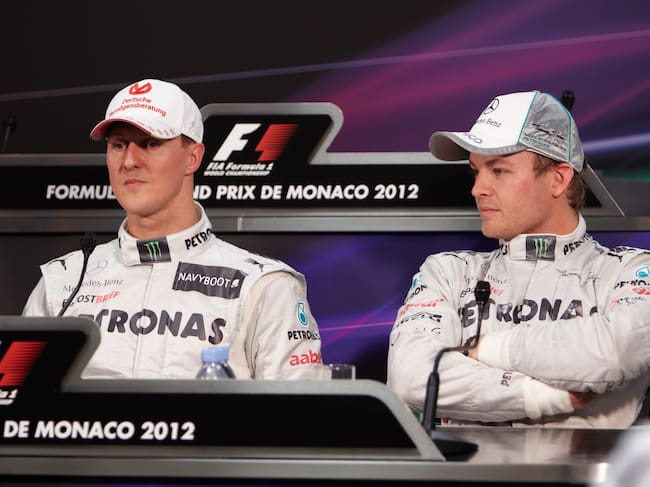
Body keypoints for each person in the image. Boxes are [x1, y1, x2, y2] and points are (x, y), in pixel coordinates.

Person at [23, 79, 323, 380]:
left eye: (150, 143)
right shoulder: (62, 281)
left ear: (193, 157)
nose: (129, 161)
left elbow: (299, 407)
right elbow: (17, 400)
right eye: (118, 145)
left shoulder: (262, 286)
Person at [387, 90, 650, 427]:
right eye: (476, 171)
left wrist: (484, 350)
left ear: (558, 179)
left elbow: (618, 350)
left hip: (582, 465)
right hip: (463, 465)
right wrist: (542, 396)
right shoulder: (447, 271)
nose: (477, 189)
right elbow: (412, 376)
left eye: (498, 170)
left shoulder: (631, 271)